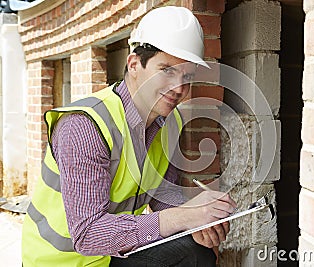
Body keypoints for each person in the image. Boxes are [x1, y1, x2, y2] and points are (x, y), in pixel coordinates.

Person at [21, 6, 237, 267]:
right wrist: (183, 218)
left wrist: (196, 223)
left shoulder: (169, 122)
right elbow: (88, 235)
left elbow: (163, 197)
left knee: (195, 252)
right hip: (60, 262)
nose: (179, 88)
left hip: (112, 255)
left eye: (187, 76)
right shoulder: (84, 126)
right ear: (134, 64)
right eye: (167, 70)